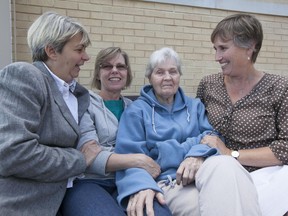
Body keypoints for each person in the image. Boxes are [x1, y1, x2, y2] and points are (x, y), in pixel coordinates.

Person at [115, 47, 261, 216]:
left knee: (227, 164)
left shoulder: (195, 106)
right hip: (170, 182)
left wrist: (195, 155)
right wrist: (142, 185)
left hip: (203, 172)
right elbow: (129, 157)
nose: (167, 78)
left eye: (173, 71)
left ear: (179, 76)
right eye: (160, 72)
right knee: (212, 207)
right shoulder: (136, 112)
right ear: (150, 77)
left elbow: (212, 137)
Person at [0, 11, 102, 215]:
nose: (86, 57)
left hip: (72, 194)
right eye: (79, 49)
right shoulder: (25, 76)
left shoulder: (78, 93)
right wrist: (79, 160)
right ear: (52, 51)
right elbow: (14, 153)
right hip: (26, 205)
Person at [197, 13, 288, 216]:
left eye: (223, 48)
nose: (217, 57)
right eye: (215, 49)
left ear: (250, 47)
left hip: (270, 178)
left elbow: (286, 148)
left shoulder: (279, 87)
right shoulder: (208, 85)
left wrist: (231, 154)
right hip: (218, 176)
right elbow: (198, 129)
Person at [60, 47, 162, 216]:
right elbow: (90, 157)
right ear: (98, 73)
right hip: (90, 182)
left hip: (131, 179)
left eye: (120, 67)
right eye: (107, 66)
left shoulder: (137, 108)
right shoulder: (83, 103)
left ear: (127, 73)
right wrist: (138, 160)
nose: (115, 70)